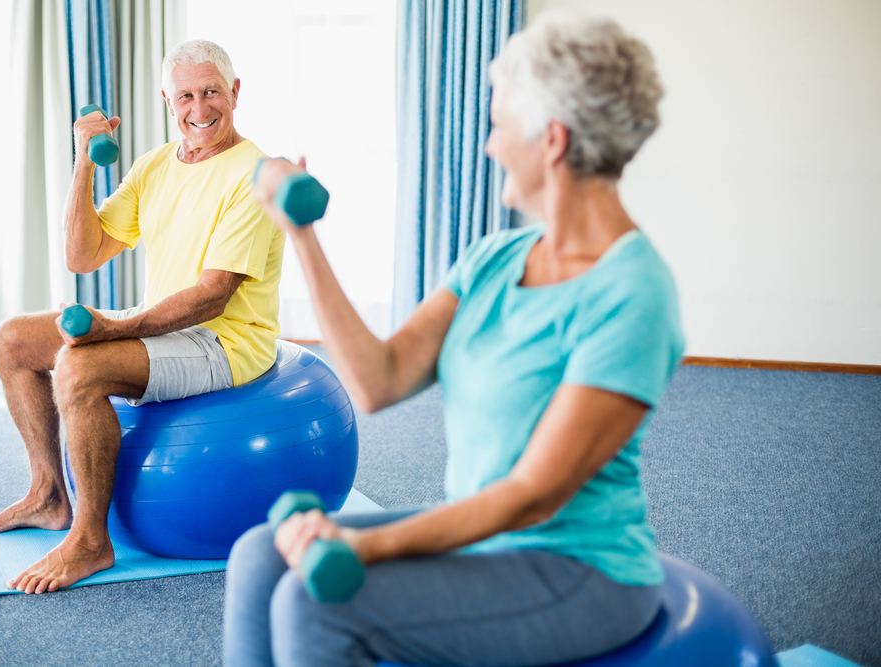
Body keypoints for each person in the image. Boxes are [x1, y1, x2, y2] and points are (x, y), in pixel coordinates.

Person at [225, 12, 683, 667]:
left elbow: (532, 495)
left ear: (551, 140)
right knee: (259, 555)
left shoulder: (633, 296)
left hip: (578, 568)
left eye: (499, 125)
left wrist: (369, 547)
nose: (491, 145)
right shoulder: (497, 257)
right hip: (485, 537)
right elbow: (377, 380)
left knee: (314, 602)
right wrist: (302, 237)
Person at [0, 40, 285, 594]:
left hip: (223, 340)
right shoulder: (154, 165)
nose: (199, 109)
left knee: (78, 368)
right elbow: (81, 256)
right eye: (185, 95)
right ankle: (48, 495)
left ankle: (91, 541)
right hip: (161, 321)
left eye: (212, 92)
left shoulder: (255, 173)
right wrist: (83, 161)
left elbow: (213, 297)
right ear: (167, 100)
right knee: (12, 340)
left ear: (235, 92)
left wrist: (112, 330)